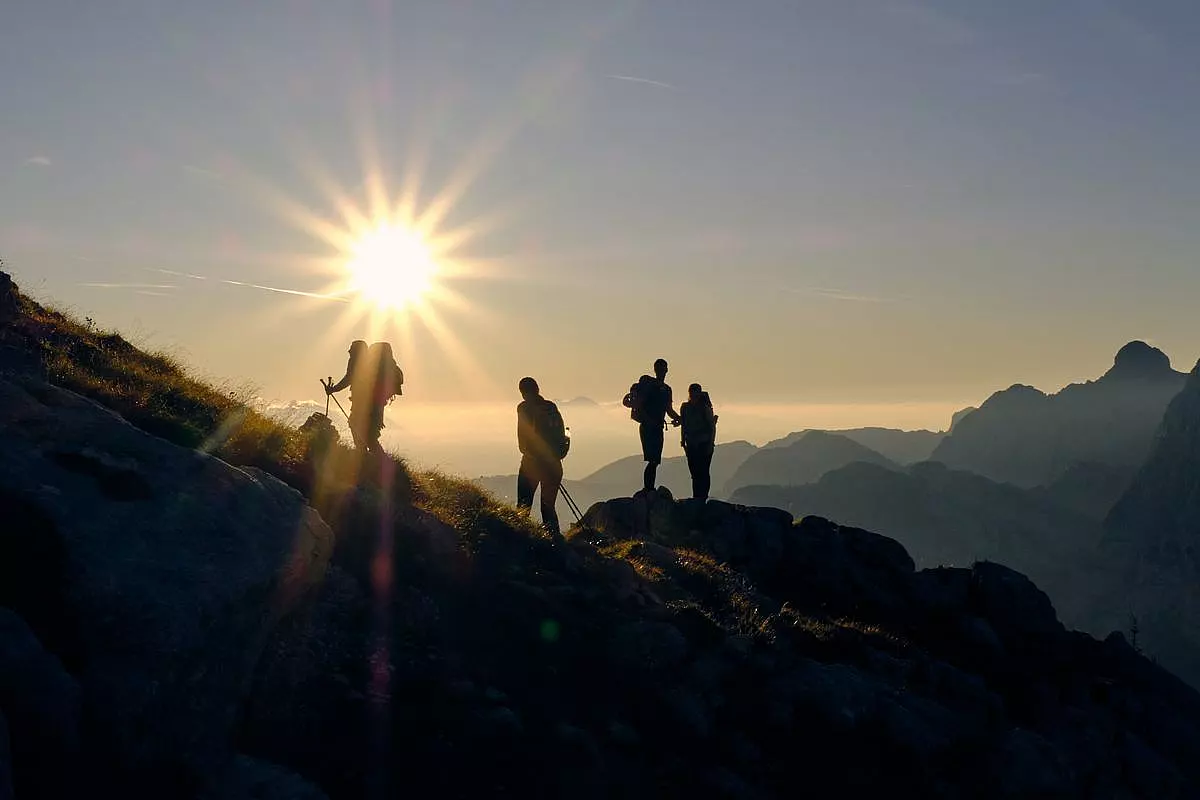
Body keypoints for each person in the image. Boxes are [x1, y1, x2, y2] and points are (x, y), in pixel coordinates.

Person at [516, 377, 567, 539]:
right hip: (554, 465)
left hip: (531, 464)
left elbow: (523, 439)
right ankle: (555, 542)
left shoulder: (523, 408)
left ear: (523, 393)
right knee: (548, 507)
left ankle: (520, 541)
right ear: (537, 389)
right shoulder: (551, 407)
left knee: (524, 506)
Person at [624, 358, 681, 493]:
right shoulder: (662, 389)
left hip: (653, 426)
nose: (663, 371)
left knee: (654, 460)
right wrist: (678, 419)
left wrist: (679, 419)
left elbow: (668, 410)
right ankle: (648, 489)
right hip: (651, 427)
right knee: (653, 460)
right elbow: (668, 410)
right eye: (662, 368)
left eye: (663, 368)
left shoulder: (664, 389)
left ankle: (649, 488)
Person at [325, 340, 371, 451]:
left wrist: (334, 389)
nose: (349, 351)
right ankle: (366, 453)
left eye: (351, 348)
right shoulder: (371, 361)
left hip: (361, 399)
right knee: (365, 426)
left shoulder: (355, 360)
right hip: (371, 401)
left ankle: (363, 452)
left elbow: (349, 378)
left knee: (354, 423)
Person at [680, 383, 718, 501]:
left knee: (703, 471)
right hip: (692, 444)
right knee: (695, 472)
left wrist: (710, 444)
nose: (693, 395)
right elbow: (684, 425)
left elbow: (712, 427)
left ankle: (702, 497)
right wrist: (683, 441)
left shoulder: (704, 408)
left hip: (703, 444)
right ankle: (697, 496)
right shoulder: (685, 408)